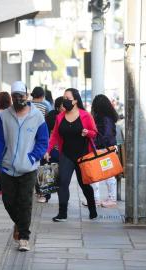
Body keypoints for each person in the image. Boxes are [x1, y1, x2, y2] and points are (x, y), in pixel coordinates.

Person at [0, 81, 49, 251]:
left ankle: (24, 237)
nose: (18, 99)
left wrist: (33, 157)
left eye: (21, 96)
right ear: (11, 97)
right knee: (8, 201)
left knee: (25, 202)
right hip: (8, 167)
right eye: (15, 96)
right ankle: (20, 223)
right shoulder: (4, 116)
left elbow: (43, 140)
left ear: (27, 95)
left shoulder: (37, 116)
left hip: (28, 168)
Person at [44, 88, 98, 222]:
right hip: (66, 155)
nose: (65, 101)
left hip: (83, 155)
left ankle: (92, 208)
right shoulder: (60, 117)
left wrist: (88, 133)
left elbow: (94, 133)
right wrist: (48, 150)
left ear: (75, 100)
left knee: (84, 184)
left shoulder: (85, 115)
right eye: (63, 98)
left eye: (68, 98)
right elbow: (55, 135)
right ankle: (62, 213)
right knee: (62, 183)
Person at [90, 94, 119, 208]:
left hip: (105, 149)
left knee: (107, 175)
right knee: (100, 175)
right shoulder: (107, 118)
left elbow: (105, 135)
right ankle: (96, 199)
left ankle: (110, 199)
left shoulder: (104, 119)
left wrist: (95, 142)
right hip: (106, 149)